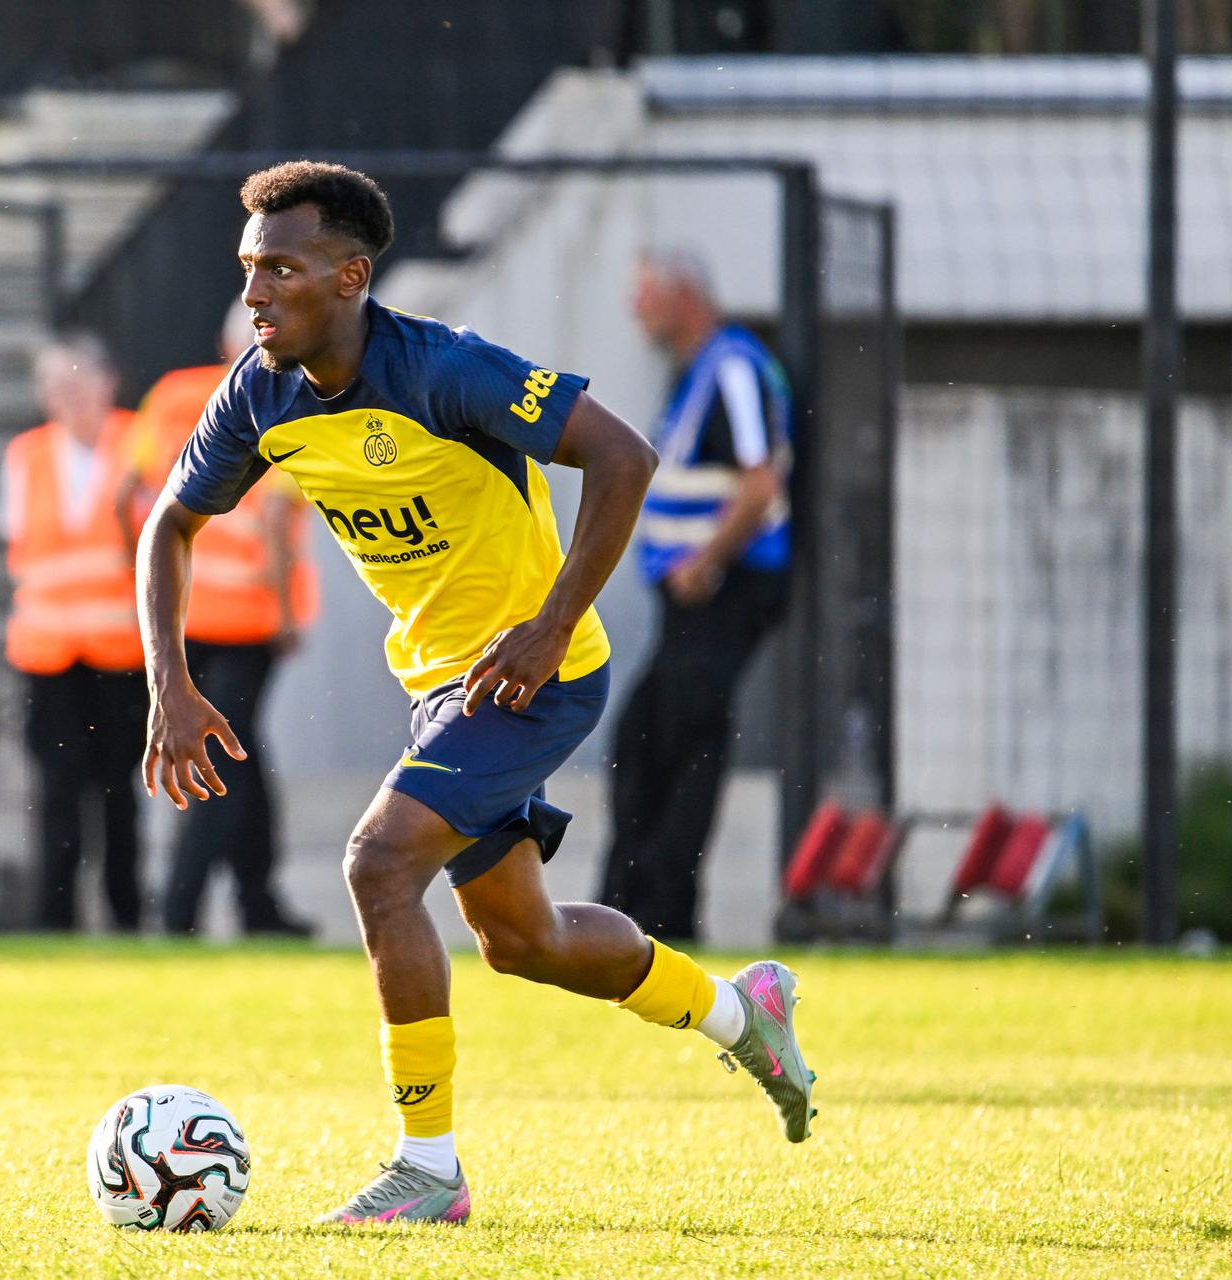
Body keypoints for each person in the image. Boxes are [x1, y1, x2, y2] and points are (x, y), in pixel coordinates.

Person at [136, 163, 817, 1226]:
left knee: (377, 862)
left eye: (280, 269)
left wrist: (551, 624)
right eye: (248, 268)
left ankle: (428, 1169)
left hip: (533, 674)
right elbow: (168, 526)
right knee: (523, 941)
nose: (255, 292)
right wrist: (169, 683)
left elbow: (623, 458)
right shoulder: (258, 393)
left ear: (351, 276)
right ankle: (743, 1012)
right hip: (438, 686)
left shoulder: (446, 369)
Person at [598, 251, 793, 943]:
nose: (636, 309)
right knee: (647, 737)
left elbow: (760, 483)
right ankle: (632, 902)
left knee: (679, 739)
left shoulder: (732, 366)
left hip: (724, 589)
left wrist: (707, 562)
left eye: (645, 294)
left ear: (685, 296)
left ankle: (657, 909)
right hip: (692, 598)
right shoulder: (695, 370)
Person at [119, 300, 319, 938]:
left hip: (179, 609)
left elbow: (129, 494)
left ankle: (260, 903)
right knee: (225, 753)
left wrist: (138, 581)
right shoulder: (281, 396)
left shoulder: (172, 394)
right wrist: (285, 613)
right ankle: (181, 910)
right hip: (246, 618)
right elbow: (276, 520)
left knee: (240, 750)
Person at [0, 333, 147, 931]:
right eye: (56, 384)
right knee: (57, 791)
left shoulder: (140, 441)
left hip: (119, 652)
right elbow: (19, 545)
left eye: (79, 380)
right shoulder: (26, 455)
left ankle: (125, 915)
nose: (68, 395)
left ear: (109, 383)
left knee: (119, 791)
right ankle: (53, 920)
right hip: (48, 654)